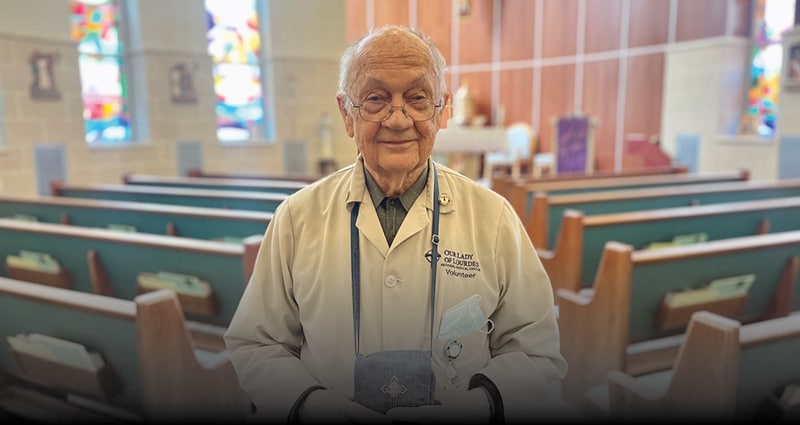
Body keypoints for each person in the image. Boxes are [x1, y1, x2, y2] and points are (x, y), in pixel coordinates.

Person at [224, 25, 569, 423]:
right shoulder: (297, 218)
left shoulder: (493, 219)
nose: (398, 118)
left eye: (418, 98)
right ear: (346, 113)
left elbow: (536, 350)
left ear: (442, 110)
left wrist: (483, 403)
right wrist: (309, 404)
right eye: (375, 99)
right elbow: (255, 343)